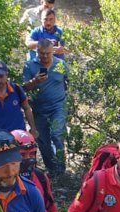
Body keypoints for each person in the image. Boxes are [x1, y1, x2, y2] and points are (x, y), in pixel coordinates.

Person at [22, 39, 68, 176]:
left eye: (48, 53)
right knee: (43, 141)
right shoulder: (30, 66)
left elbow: (69, 81)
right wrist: (35, 81)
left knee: (57, 134)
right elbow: (24, 88)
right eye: (42, 53)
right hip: (39, 109)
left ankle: (61, 168)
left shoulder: (61, 65)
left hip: (58, 106)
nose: (45, 56)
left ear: (52, 51)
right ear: (37, 52)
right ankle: (52, 168)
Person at [12, 129, 63, 212]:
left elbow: (50, 205)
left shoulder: (40, 178)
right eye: (22, 155)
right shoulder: (2, 181)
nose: (28, 159)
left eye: (31, 154)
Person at [0, 60, 38, 138]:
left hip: (19, 135)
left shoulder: (16, 89)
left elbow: (27, 108)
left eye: (1, 76)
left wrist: (33, 128)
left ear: (6, 75)